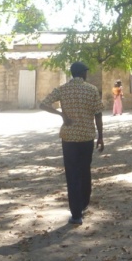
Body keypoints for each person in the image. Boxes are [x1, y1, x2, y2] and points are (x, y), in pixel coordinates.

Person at [40, 61, 104, 225]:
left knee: (72, 174)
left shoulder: (62, 89)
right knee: (85, 171)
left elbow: (43, 104)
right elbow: (98, 114)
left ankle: (76, 214)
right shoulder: (91, 90)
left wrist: (61, 114)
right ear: (83, 73)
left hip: (68, 138)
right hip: (86, 137)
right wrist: (101, 136)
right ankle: (83, 204)